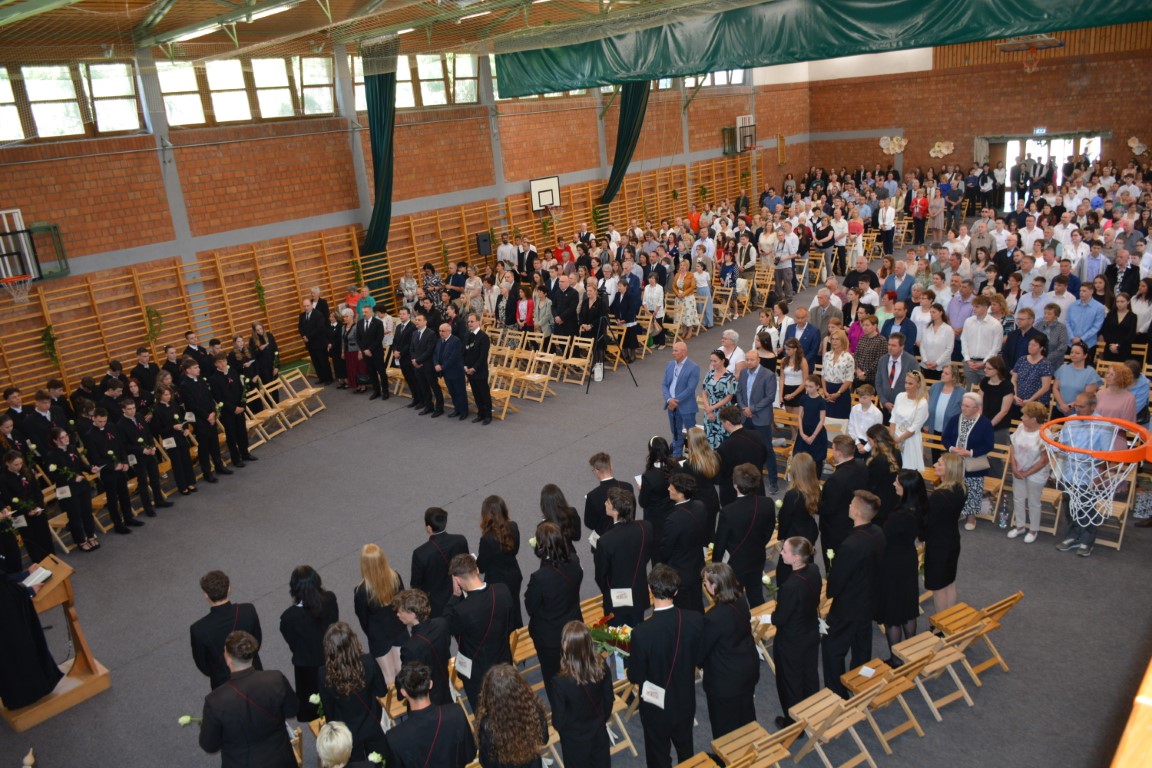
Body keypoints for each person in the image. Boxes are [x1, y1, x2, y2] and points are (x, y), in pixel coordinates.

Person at [627, 564, 704, 768]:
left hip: (656, 707)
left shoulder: (641, 633)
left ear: (650, 590)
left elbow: (635, 676)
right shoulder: (695, 620)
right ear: (676, 591)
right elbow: (700, 656)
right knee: (686, 751)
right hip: (685, 700)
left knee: (658, 756)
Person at [822, 490, 886, 697]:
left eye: (851, 504)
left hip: (848, 607)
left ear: (857, 512)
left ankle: (837, 693)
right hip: (870, 600)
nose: (849, 506)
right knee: (861, 646)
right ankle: (860, 684)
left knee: (832, 649)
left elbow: (837, 581)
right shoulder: (878, 532)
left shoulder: (851, 545)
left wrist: (830, 592)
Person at [199, 631, 297, 768]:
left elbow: (209, 746)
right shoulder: (276, 678)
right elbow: (292, 711)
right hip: (281, 758)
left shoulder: (215, 701)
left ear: (228, 659)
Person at [443, 553, 515, 709]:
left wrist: (455, 596)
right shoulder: (502, 590)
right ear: (476, 570)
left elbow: (446, 626)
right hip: (504, 662)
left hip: (479, 674)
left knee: (484, 713)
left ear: (457, 580)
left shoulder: (461, 610)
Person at [698, 563, 760, 737]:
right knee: (746, 715)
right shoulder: (741, 599)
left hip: (725, 680)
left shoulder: (713, 617)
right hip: (747, 667)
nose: (704, 585)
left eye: (706, 582)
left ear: (715, 586)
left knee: (723, 726)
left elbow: (700, 653)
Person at [524, 521, 583, 702]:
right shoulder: (575, 561)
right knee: (575, 668)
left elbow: (530, 607)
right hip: (573, 627)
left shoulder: (540, 578)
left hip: (549, 638)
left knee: (552, 676)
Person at [382, 661, 475, 768]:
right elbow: (469, 755)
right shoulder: (456, 712)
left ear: (403, 692)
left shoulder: (394, 738)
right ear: (430, 684)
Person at [318, 622, 388, 762]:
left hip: (346, 732)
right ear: (353, 641)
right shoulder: (368, 661)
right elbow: (381, 691)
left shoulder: (323, 673)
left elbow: (329, 710)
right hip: (372, 722)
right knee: (381, 761)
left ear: (328, 648)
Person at [1056, 394, 1114, 557]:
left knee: (1086, 508)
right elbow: (1062, 444)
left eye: (1081, 407)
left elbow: (1106, 454)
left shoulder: (1104, 425)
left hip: (1088, 474)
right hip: (1068, 472)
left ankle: (1087, 541)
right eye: (1076, 406)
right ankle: (1072, 536)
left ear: (1093, 406)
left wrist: (1100, 475)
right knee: (1069, 505)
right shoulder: (1070, 421)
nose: (1077, 409)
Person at [772, 536, 822, 728]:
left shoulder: (790, 586)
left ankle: (793, 725)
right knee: (809, 676)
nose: (781, 553)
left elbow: (780, 618)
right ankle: (811, 713)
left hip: (791, 640)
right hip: (810, 631)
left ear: (796, 558)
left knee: (790, 681)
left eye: (784, 551)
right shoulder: (814, 570)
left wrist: (771, 616)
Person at [279, 565, 340, 722]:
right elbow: (335, 624)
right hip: (333, 656)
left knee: (315, 703)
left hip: (307, 666)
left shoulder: (289, 617)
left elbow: (292, 643)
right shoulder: (330, 599)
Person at [550, 621, 613, 768]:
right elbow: (608, 699)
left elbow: (558, 720)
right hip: (598, 732)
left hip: (574, 741)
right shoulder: (602, 666)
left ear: (566, 646)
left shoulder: (560, 682)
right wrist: (600, 720)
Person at [880, 471, 926, 663]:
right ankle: (910, 650)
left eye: (897, 483)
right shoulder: (918, 506)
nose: (893, 484)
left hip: (893, 563)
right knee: (907, 606)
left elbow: (884, 538)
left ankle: (896, 659)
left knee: (892, 613)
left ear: (906, 488)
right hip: (908, 558)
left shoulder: (900, 515)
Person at [190, 570, 263, 690]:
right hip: (253, 670)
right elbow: (257, 641)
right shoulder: (248, 610)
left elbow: (203, 665)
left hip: (223, 682)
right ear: (229, 588)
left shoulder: (198, 629)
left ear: (206, 595)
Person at [594, 486, 653, 629]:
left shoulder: (605, 541)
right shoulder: (646, 527)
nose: (605, 503)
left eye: (608, 502)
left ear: (616, 510)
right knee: (638, 631)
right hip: (638, 593)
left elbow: (601, 576)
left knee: (617, 638)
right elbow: (646, 556)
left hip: (617, 601)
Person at [475, 664, 549, 768]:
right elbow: (544, 739)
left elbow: (487, 763)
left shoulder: (487, 725)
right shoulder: (533, 706)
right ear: (520, 686)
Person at [353, 544, 405, 686]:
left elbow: (363, 618)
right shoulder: (395, 577)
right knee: (403, 670)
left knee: (389, 676)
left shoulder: (361, 591)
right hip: (398, 628)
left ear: (364, 565)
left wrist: (372, 633)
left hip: (378, 636)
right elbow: (403, 601)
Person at [943, 393, 995, 531]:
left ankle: (971, 517)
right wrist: (951, 448)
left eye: (967, 406)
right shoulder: (955, 419)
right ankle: (958, 511)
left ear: (976, 408)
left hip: (973, 463)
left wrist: (970, 452)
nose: (963, 408)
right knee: (955, 488)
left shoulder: (985, 423)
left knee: (973, 489)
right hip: (955, 462)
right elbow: (945, 437)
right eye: (963, 405)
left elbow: (989, 445)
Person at [392, 589, 452, 706]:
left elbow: (408, 677)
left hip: (428, 697)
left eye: (401, 611)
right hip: (444, 682)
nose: (397, 614)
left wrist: (400, 692)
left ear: (413, 614)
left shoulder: (410, 647)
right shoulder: (442, 624)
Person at [41, 428, 98, 551]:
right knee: (75, 515)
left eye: (66, 435)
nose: (66, 438)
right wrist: (72, 479)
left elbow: (80, 465)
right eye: (62, 437)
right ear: (55, 440)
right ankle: (81, 540)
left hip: (81, 485)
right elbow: (54, 476)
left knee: (87, 512)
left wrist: (90, 469)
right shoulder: (51, 455)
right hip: (67, 489)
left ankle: (90, 535)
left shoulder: (72, 448)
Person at [923, 454, 966, 613]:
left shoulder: (939, 495)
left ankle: (940, 624)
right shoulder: (961, 488)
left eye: (939, 464)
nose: (934, 465)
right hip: (952, 539)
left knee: (938, 588)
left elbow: (928, 523)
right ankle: (950, 619)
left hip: (938, 544)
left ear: (950, 469)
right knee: (949, 582)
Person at [818, 434, 868, 570]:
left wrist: (813, 502)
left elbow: (827, 508)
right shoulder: (861, 466)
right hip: (855, 521)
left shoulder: (836, 479)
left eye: (833, 449)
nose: (832, 451)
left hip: (834, 528)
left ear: (839, 453)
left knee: (833, 564)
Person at [410, 507, 470, 619]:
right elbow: (467, 564)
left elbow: (416, 585)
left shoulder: (420, 553)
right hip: (459, 594)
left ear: (429, 528)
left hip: (436, 606)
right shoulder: (460, 540)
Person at [661, 472, 708, 613]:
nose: (668, 489)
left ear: (680, 493)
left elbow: (666, 549)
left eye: (671, 488)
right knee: (697, 603)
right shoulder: (700, 506)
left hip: (680, 572)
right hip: (697, 564)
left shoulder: (673, 519)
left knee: (683, 610)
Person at [477, 495, 523, 629]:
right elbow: (515, 550)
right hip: (514, 575)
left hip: (497, 581)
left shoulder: (487, 539)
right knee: (514, 606)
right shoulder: (513, 526)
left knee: (500, 615)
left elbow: (482, 567)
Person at [1008, 402, 1051, 543]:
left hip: (1037, 473)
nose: (1021, 417)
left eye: (1025, 416)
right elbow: (1013, 446)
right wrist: (1014, 467)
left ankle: (1033, 529)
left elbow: (1044, 460)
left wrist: (1026, 473)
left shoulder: (1045, 434)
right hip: (1018, 469)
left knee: (1033, 501)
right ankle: (1020, 526)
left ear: (1033, 419)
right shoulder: (1021, 427)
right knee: (1018, 498)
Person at [0, 450, 53, 565]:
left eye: (20, 463)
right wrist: (26, 510)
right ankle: (39, 561)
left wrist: (39, 505)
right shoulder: (3, 479)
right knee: (30, 538)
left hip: (37, 508)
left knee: (44, 534)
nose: (19, 466)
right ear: (7, 463)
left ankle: (51, 557)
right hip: (20, 512)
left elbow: (37, 490)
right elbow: (8, 498)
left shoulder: (26, 471)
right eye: (16, 464)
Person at [661, 341, 700, 457]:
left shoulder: (694, 367)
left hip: (686, 406)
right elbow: (664, 385)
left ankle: (695, 456)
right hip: (671, 405)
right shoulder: (670, 365)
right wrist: (669, 400)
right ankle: (676, 454)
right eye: (673, 350)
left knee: (691, 432)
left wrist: (675, 401)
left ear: (683, 352)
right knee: (675, 432)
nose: (673, 353)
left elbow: (690, 388)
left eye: (675, 350)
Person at [583, 451, 633, 536]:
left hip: (605, 536)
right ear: (611, 466)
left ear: (596, 471)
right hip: (627, 532)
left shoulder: (592, 496)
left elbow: (589, 523)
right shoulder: (628, 487)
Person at [889, 371, 929, 470]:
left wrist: (898, 440)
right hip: (895, 437)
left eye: (910, 383)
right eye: (906, 383)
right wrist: (891, 438)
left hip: (910, 440)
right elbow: (893, 418)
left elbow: (914, 428)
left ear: (918, 384)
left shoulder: (922, 403)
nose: (907, 386)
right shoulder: (900, 396)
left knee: (908, 470)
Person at [1053, 341, 1102, 415]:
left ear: (1085, 355)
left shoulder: (1090, 373)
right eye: (1072, 352)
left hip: (1079, 412)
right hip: (1060, 409)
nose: (1073, 355)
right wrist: (1062, 405)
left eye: (1077, 353)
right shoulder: (1063, 368)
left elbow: (1087, 396)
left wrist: (1069, 406)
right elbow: (1055, 388)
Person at [701, 350, 737, 450]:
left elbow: (729, 397)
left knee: (722, 440)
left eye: (715, 361)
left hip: (723, 412)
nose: (713, 363)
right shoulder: (709, 374)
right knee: (708, 438)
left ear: (722, 361)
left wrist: (712, 408)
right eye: (711, 361)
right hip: (709, 411)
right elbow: (704, 391)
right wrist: (708, 409)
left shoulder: (730, 377)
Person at [794, 375, 828, 475]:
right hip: (804, 430)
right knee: (800, 457)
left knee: (816, 459)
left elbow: (822, 420)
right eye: (806, 386)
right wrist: (801, 433)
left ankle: (815, 481)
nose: (808, 389)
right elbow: (800, 416)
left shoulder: (821, 401)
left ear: (817, 386)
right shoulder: (803, 398)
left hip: (817, 432)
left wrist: (813, 436)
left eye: (811, 386)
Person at [463, 312, 493, 424]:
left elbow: (482, 356)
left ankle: (488, 415)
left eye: (472, 321)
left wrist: (474, 368)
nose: (469, 323)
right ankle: (480, 413)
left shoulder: (484, 337)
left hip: (479, 371)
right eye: (468, 322)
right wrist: (465, 367)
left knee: (484, 394)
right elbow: (464, 352)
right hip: (469, 370)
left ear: (478, 322)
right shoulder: (467, 335)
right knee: (476, 394)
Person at [821, 328, 854, 419]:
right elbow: (823, 375)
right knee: (826, 419)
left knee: (840, 420)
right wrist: (825, 391)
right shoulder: (827, 355)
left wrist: (838, 393)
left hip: (841, 391)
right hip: (828, 390)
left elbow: (849, 379)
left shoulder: (848, 357)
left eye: (837, 339)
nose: (834, 341)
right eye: (833, 339)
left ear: (842, 340)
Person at [299, 297, 334, 384]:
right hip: (309, 344)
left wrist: (308, 337)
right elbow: (300, 327)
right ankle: (321, 378)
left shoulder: (318, 314)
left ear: (311, 305)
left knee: (323, 361)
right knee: (315, 361)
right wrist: (303, 336)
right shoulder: (302, 315)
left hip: (319, 342)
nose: (306, 307)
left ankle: (328, 378)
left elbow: (319, 328)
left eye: (307, 305)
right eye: (304, 306)